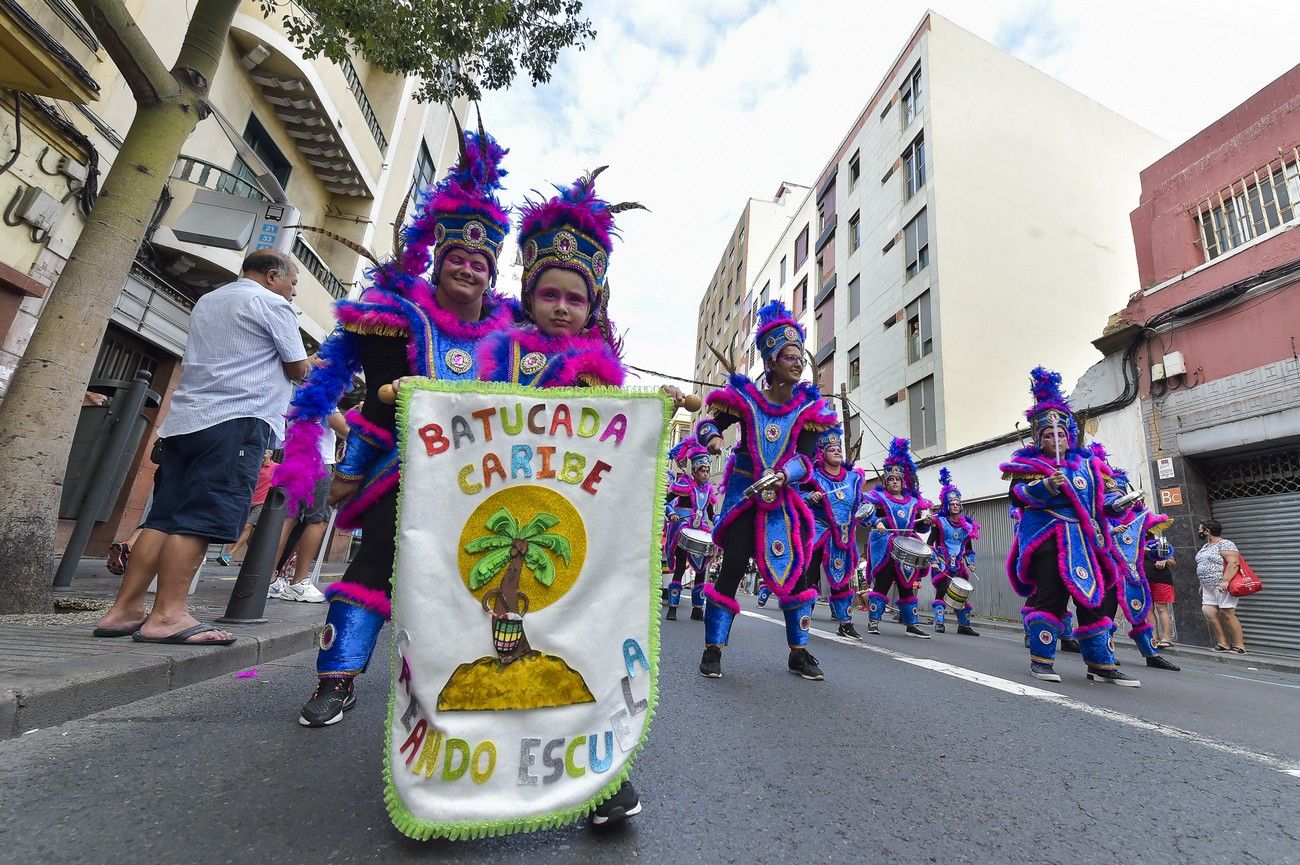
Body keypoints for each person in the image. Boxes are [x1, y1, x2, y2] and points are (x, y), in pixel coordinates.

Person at [275, 126, 516, 727]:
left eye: (479, 263)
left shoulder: (509, 336)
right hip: (397, 473)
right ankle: (337, 680)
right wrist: (349, 467)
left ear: (492, 275)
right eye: (456, 258)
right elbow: (346, 388)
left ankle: (455, 692)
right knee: (373, 563)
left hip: (482, 483)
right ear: (439, 260)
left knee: (475, 583)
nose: (467, 269)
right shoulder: (396, 315)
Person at [475, 166, 651, 824]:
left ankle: (601, 777)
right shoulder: (498, 351)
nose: (559, 307)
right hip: (502, 518)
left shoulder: (603, 371)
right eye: (548, 292)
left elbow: (620, 446)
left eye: (574, 299)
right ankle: (479, 764)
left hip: (574, 527)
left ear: (593, 305)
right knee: (497, 645)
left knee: (582, 648)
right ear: (528, 292)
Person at [93, 250, 309, 645]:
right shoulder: (272, 304)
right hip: (236, 420)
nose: (293, 293)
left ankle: (124, 611)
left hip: (186, 422)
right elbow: (297, 368)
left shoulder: (210, 300)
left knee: (163, 518)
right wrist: (317, 362)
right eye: (293, 284)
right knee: (199, 519)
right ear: (273, 276)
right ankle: (168, 616)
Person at [694, 299, 837, 681]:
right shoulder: (745, 400)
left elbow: (807, 461)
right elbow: (708, 425)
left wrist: (783, 475)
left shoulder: (809, 408)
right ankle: (713, 649)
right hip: (744, 497)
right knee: (734, 565)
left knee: (798, 571)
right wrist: (710, 440)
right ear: (770, 362)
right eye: (789, 357)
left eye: (800, 357)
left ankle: (799, 652)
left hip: (782, 501)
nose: (798, 363)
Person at [1001, 367, 1138, 686]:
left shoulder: (1089, 465)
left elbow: (1100, 500)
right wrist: (1046, 485)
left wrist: (1118, 504)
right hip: (1049, 541)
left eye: (1060, 434)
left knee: (1093, 601)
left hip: (1086, 543)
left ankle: (1100, 663)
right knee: (1051, 598)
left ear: (1070, 435)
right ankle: (1041, 661)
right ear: (1039, 438)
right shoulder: (1029, 466)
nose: (1055, 439)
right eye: (1048, 435)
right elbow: (1019, 497)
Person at [1090, 444, 1179, 672]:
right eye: (1113, 496)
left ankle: (1151, 654)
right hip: (1108, 569)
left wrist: (1162, 550)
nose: (1119, 500)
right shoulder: (1096, 513)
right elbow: (1089, 533)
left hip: (1132, 570)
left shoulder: (1137, 517)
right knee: (1106, 612)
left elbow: (1151, 540)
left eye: (1122, 496)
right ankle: (1104, 654)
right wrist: (1108, 531)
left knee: (1139, 610)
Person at [267, 409, 349, 603]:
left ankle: (267, 578)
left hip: (294, 456)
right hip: (318, 459)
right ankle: (299, 581)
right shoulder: (325, 386)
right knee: (318, 520)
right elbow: (341, 425)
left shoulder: (296, 390)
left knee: (288, 516)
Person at [861, 437, 934, 638]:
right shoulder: (879, 497)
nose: (894, 482)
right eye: (891, 479)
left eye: (898, 479)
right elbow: (863, 510)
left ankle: (912, 625)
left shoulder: (913, 501)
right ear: (886, 482)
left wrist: (926, 521)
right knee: (883, 583)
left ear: (903, 482)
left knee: (907, 586)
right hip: (886, 547)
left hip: (907, 547)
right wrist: (877, 522)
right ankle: (874, 621)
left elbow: (922, 527)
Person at [801, 426, 866, 639]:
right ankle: (802, 618)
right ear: (822, 453)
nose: (837, 451)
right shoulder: (813, 475)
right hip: (818, 531)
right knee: (809, 576)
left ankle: (845, 623)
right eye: (832, 449)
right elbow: (795, 494)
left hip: (843, 535)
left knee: (842, 579)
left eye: (839, 449)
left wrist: (871, 514)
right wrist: (809, 497)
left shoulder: (853, 479)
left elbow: (861, 505)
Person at [662, 442, 717, 621]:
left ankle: (697, 609)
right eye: (702, 470)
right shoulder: (684, 484)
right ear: (693, 471)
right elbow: (665, 502)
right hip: (683, 531)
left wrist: (718, 521)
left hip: (700, 530)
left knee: (702, 571)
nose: (706, 474)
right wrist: (671, 514)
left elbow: (710, 513)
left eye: (708, 471)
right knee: (679, 568)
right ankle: (673, 608)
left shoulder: (709, 490)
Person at [927, 467, 980, 636]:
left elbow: (969, 548)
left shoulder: (967, 526)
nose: (955, 506)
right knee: (942, 590)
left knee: (960, 593)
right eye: (952, 504)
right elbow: (930, 544)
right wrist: (933, 560)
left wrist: (970, 563)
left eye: (958, 504)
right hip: (941, 563)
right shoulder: (939, 522)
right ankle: (940, 622)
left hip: (958, 565)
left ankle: (963, 625)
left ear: (961, 506)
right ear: (947, 506)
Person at [216, 451, 278, 566]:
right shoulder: (253, 465)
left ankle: (229, 555)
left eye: (265, 452)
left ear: (271, 453)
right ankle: (233, 556)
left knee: (247, 526)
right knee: (239, 528)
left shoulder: (276, 468)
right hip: (246, 500)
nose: (263, 454)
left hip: (261, 503)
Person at [1194, 518, 1246, 654]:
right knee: (1208, 611)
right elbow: (1202, 565)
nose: (1199, 531)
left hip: (1222, 584)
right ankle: (1223, 643)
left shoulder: (1225, 544)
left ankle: (1239, 645)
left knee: (1227, 613)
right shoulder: (1205, 547)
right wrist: (1202, 584)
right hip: (1207, 586)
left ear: (1207, 531)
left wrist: (1225, 581)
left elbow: (1233, 563)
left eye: (1201, 529)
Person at [1146, 529, 1177, 648]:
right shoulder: (1136, 542)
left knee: (1161, 608)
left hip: (1161, 579)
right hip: (1145, 580)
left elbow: (1173, 562)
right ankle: (1154, 637)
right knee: (1148, 609)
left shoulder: (1160, 542)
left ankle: (1166, 638)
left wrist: (1164, 559)